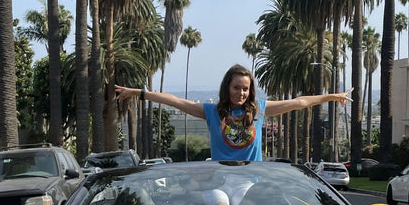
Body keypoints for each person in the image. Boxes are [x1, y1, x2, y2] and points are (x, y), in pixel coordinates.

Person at [115, 64, 352, 162]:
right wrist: (138, 92)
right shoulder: (211, 111)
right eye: (236, 87)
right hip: (221, 177)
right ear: (227, 87)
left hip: (252, 180)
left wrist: (332, 97)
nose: (241, 92)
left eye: (245, 89)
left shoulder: (259, 108)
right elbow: (176, 101)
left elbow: (298, 102)